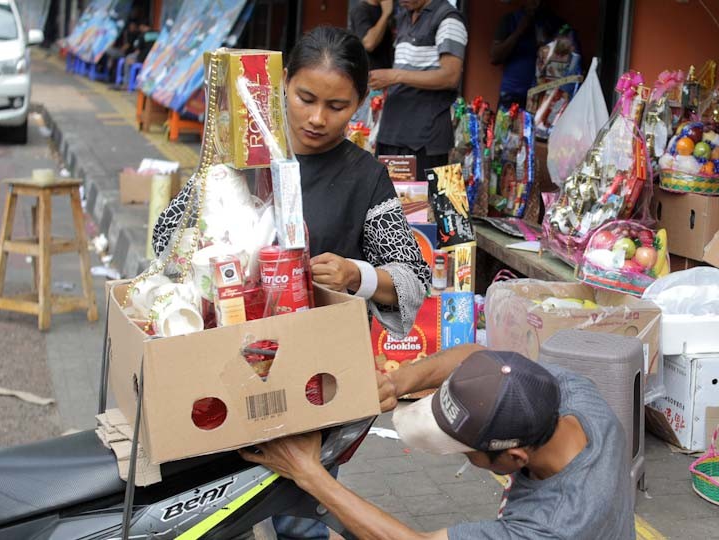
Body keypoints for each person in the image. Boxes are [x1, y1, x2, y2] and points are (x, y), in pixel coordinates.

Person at [152, 26, 431, 539]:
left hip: (312, 377)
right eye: (305, 98)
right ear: (282, 86)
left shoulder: (364, 176)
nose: (318, 118)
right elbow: (166, 239)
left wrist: (357, 275)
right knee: (212, 507)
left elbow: (414, 278)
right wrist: (214, 202)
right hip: (223, 362)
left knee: (300, 515)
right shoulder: (241, 154)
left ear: (361, 105)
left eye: (337, 105)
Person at [240, 347, 636, 539]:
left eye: (465, 448)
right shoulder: (570, 394)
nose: (460, 452)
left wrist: (311, 477)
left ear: (513, 456)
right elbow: (483, 358)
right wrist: (398, 381)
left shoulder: (552, 527)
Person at [370, 0, 467, 183]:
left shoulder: (449, 18)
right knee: (388, 206)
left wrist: (395, 76)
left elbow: (451, 77)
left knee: (439, 209)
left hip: (426, 138)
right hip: (393, 132)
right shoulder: (404, 16)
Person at [490, 0, 565, 109]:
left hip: (543, 98)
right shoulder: (511, 20)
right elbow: (494, 57)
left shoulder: (554, 23)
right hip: (512, 96)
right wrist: (520, 30)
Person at [349, 0, 394, 71]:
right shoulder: (361, 10)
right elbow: (369, 44)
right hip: (370, 74)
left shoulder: (386, 8)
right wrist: (386, 14)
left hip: (388, 71)